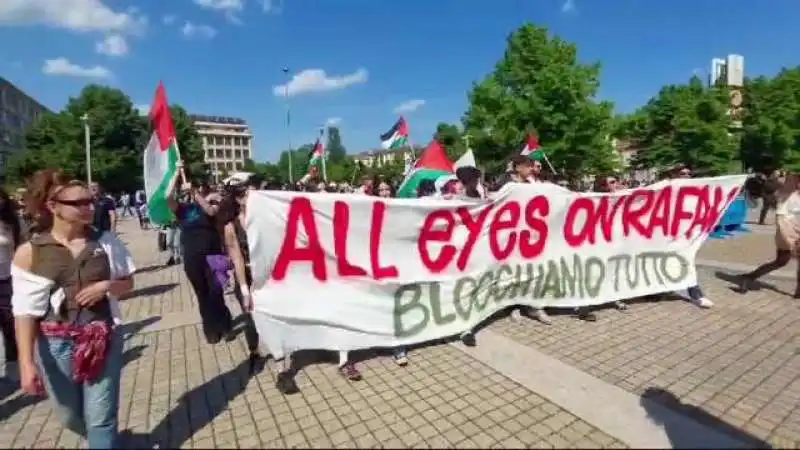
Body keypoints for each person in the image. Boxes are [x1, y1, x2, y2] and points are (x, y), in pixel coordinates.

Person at [11, 169, 135, 449]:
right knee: (69, 417)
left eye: (90, 201)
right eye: (78, 203)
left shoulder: (105, 241)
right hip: (56, 345)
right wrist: (26, 364)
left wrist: (106, 286)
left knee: (101, 417)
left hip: (103, 337)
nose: (89, 208)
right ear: (53, 207)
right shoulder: (31, 252)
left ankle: (104, 440)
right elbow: (24, 313)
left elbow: (128, 284)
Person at [167, 167, 233, 344]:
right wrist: (176, 174)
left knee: (217, 291)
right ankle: (211, 330)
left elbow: (211, 212)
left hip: (215, 255)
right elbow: (167, 197)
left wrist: (196, 194)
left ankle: (225, 325)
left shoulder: (212, 201)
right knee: (202, 294)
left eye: (198, 187)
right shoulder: (182, 210)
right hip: (193, 258)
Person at [218, 177, 267, 370]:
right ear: (239, 199)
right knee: (250, 316)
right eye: (248, 194)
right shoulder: (231, 226)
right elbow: (237, 258)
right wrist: (245, 290)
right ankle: (254, 351)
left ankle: (280, 354)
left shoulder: (263, 218)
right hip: (246, 275)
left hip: (267, 275)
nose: (253, 198)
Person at [739, 174, 800, 297]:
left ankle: (750, 277)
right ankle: (799, 292)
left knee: (780, 261)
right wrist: (791, 240)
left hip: (790, 230)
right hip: (788, 232)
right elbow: (781, 221)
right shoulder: (784, 196)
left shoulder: (791, 194)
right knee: (784, 260)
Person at [0, 188, 20, 381]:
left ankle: (13, 363)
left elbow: (19, 250)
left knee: (9, 323)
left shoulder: (11, 223)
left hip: (7, 279)